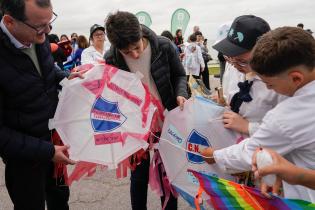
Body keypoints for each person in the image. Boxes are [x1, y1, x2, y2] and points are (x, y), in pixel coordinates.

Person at [201, 26, 315, 202]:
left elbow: (251, 151)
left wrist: (215, 155)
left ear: (296, 78)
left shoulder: (287, 116)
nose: (269, 88)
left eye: (269, 84)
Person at [0, 0, 83, 209]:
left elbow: (46, 70)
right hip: (24, 159)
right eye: (40, 26)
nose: (47, 32)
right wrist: (46, 151)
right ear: (9, 21)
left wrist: (67, 77)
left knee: (59, 200)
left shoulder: (39, 34)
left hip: (54, 142)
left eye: (50, 23)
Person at [104, 11, 187, 210]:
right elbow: (112, 93)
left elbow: (179, 75)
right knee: (138, 175)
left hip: (166, 119)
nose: (134, 54)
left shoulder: (164, 46)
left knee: (167, 172)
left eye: (137, 47)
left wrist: (181, 93)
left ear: (141, 33)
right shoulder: (111, 58)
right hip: (134, 124)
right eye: (127, 52)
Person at [212, 15, 282, 137]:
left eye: (242, 61)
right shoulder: (241, 70)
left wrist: (248, 127)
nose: (234, 65)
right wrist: (225, 105)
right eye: (230, 57)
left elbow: (288, 131)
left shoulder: (279, 85)